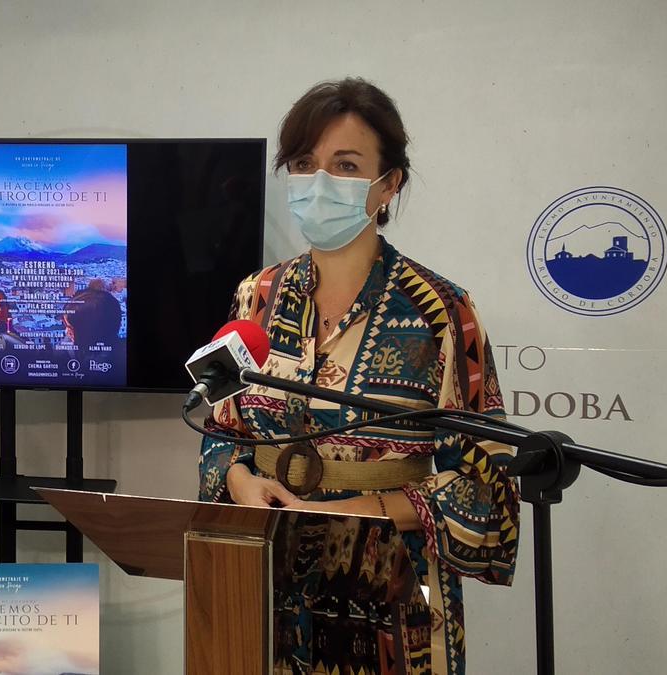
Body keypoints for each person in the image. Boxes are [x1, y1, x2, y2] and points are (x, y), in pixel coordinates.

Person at [197, 78, 519, 674]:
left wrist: (371, 507)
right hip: (262, 577)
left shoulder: (441, 312)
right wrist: (238, 478)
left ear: (389, 183)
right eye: (303, 163)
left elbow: (487, 477)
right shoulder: (259, 295)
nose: (319, 183)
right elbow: (221, 426)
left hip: (392, 594)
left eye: (345, 166)